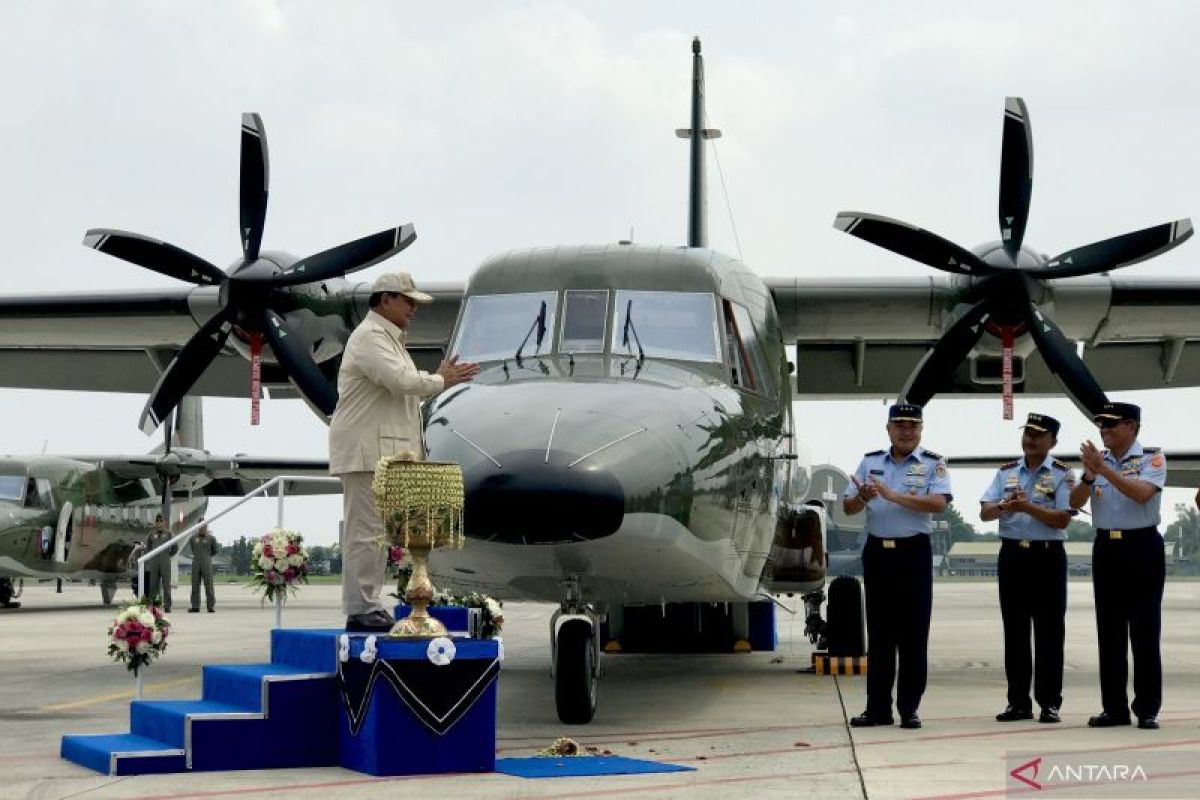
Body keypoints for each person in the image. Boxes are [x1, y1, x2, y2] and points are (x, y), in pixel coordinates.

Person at [329, 271, 479, 632]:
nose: (413, 308)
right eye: (407, 300)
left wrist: (435, 379)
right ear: (385, 300)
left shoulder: (387, 338)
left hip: (381, 452)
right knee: (365, 532)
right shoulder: (370, 337)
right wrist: (442, 379)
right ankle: (360, 607)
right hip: (368, 450)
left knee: (375, 534)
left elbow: (403, 386)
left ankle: (367, 603)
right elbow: (401, 382)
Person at [842, 403, 951, 730]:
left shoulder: (933, 463)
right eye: (900, 425)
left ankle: (909, 708)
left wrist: (892, 496)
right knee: (879, 635)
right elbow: (848, 508)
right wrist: (862, 496)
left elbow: (939, 503)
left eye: (913, 426)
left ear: (921, 430)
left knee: (914, 634)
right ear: (888, 429)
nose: (906, 431)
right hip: (878, 553)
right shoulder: (870, 461)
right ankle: (877, 708)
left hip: (913, 553)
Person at [1069, 401, 1166, 730]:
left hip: (1142, 547)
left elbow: (1141, 494)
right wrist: (1088, 475)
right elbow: (1074, 502)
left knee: (1144, 631)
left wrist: (1105, 469)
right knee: (1109, 633)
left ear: (1132, 427)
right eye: (1101, 425)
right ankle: (1114, 709)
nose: (1104, 431)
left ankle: (1147, 708)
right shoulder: (1098, 462)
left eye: (1111, 425)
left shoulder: (1152, 458)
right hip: (1107, 548)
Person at [980, 413, 1074, 725]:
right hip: (1012, 557)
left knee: (1049, 632)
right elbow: (985, 513)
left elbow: (1062, 518)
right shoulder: (1006, 472)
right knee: (1015, 632)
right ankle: (1018, 702)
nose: (1031, 438)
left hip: (1047, 557)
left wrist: (1027, 507)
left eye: (1039, 434)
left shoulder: (1063, 474)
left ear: (1053, 441)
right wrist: (1007, 506)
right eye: (1028, 433)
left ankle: (1049, 703)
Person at [144, 513, 177, 611]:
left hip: (165, 561)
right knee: (153, 584)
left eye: (161, 521)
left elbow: (175, 547)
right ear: (155, 523)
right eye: (157, 521)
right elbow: (148, 547)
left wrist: (168, 555)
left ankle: (167, 606)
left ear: (164, 523)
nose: (159, 523)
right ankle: (155, 605)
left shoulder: (169, 534)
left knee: (166, 584)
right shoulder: (151, 534)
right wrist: (151, 557)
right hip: (154, 562)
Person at [187, 522, 220, 613]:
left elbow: (214, 551)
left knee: (209, 585)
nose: (202, 528)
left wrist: (206, 557)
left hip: (207, 563)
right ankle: (195, 606)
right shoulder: (193, 538)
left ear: (206, 526)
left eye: (204, 526)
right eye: (200, 526)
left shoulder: (211, 538)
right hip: (196, 562)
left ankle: (210, 606)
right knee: (195, 585)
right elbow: (193, 548)